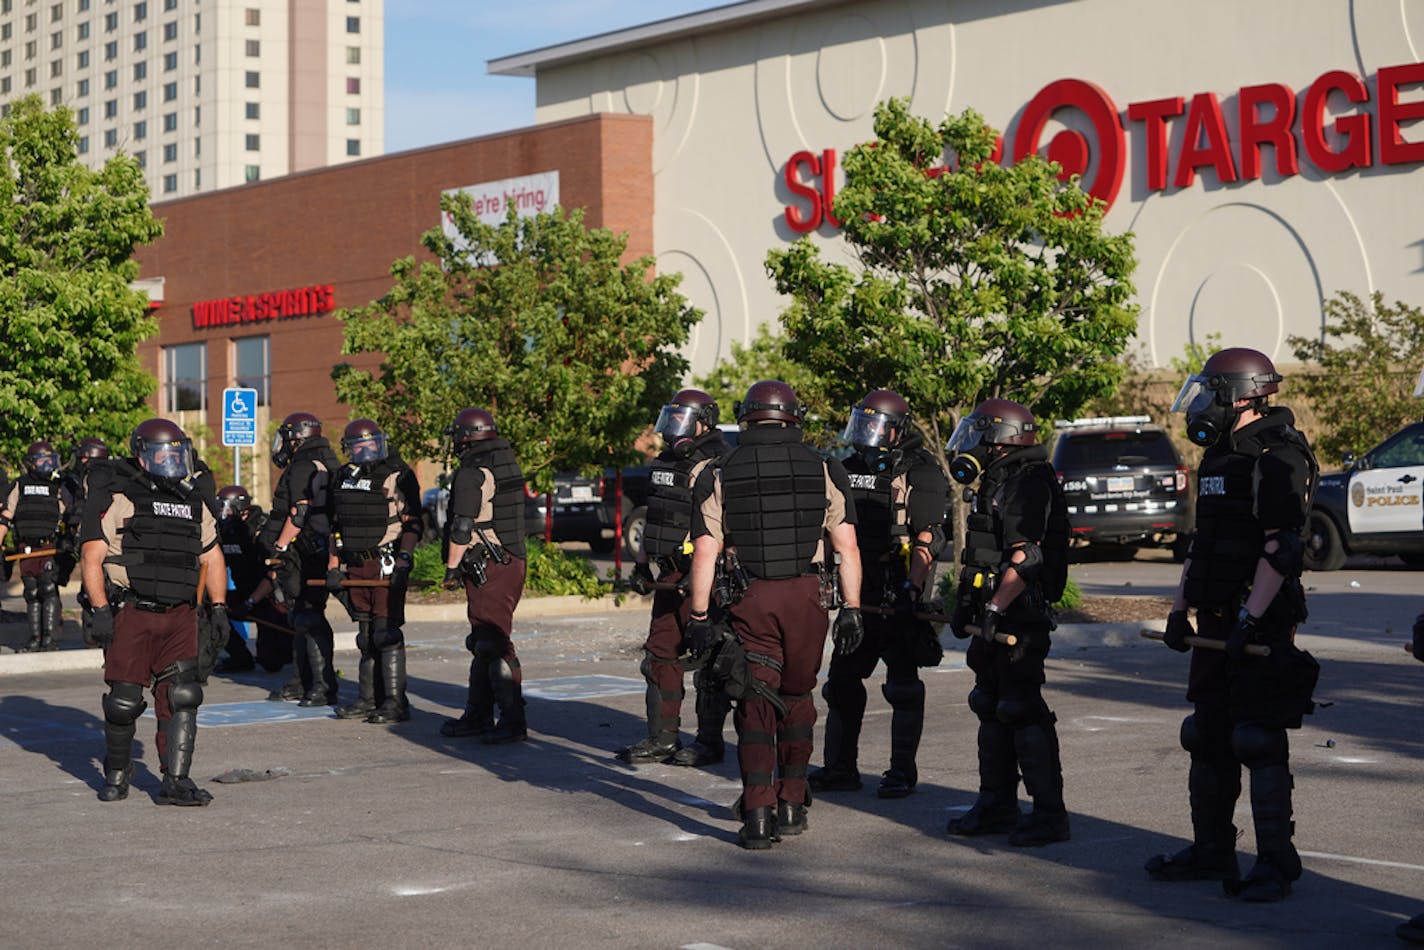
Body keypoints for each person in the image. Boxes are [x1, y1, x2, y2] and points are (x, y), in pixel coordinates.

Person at [1146, 347, 1320, 903]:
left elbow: (1281, 546)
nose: (1201, 403)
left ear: (1240, 394)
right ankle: (1212, 849)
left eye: (1209, 391)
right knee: (1206, 735)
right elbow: (1202, 546)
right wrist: (1178, 609)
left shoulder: (1279, 455)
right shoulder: (1219, 457)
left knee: (1257, 737)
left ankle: (1275, 863)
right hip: (1215, 619)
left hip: (1261, 621)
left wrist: (1250, 620)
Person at [686, 380, 861, 849]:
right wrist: (853, 609)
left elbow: (706, 550)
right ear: (793, 416)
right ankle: (792, 804)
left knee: (756, 698)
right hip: (809, 597)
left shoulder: (719, 469)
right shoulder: (825, 465)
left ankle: (759, 814)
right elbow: (846, 544)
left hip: (751, 597)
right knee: (799, 694)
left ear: (747, 416)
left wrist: (699, 616)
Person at [80, 418, 230, 805]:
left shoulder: (193, 498)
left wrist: (218, 607)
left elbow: (212, 556)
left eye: (176, 453)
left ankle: (176, 780)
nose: (170, 460)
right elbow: (91, 555)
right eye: (162, 453)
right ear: (143, 455)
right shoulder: (120, 495)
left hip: (180, 615)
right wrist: (99, 609)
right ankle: (117, 773)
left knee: (182, 695)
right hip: (132, 610)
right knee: (123, 701)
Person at [945, 397, 1071, 847]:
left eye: (981, 434)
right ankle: (996, 804)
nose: (973, 444)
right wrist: (968, 602)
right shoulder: (998, 478)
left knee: (1020, 707)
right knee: (989, 703)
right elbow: (984, 550)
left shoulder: (1028, 481)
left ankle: (1049, 814)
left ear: (1000, 438)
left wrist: (996, 607)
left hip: (1020, 613)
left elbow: (1027, 556)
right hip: (994, 610)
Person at [811, 389, 948, 799]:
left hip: (898, 591)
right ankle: (840, 769)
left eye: (875, 426)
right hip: (858, 594)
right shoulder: (846, 466)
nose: (866, 434)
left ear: (897, 430)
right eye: (863, 423)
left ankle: (901, 772)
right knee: (842, 684)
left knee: (903, 686)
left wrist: (912, 589)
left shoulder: (921, 471)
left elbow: (928, 537)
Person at [618, 389, 732, 766]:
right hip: (668, 576)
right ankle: (662, 738)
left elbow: (724, 532)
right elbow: (657, 518)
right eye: (672, 419)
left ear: (704, 423)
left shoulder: (717, 465)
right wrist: (640, 563)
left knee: (711, 662)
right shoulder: (663, 463)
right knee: (658, 657)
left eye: (682, 421)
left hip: (702, 576)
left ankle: (708, 743)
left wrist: (710, 574)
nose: (673, 430)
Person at [438, 408, 530, 744]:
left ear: (465, 436)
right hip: (509, 560)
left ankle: (512, 721)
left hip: (490, 564)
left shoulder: (472, 471)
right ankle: (477, 715)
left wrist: (450, 568)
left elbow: (463, 526)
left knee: (493, 642)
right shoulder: (504, 460)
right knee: (483, 642)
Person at [327, 419, 423, 724]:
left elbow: (413, 523)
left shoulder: (399, 475)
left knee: (386, 634)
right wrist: (333, 566)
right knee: (366, 637)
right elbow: (335, 527)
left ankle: (395, 703)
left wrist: (404, 559)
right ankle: (368, 700)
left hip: (386, 561)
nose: (365, 450)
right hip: (355, 564)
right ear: (349, 449)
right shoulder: (342, 477)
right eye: (359, 445)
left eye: (371, 444)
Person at [263, 411, 342, 706]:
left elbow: (300, 512)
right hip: (322, 549)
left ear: (296, 439)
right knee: (300, 616)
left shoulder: (303, 465)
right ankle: (302, 681)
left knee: (309, 616)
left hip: (308, 550)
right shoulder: (328, 460)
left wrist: (280, 548)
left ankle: (323, 685)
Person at [0, 441, 69, 651]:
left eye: (50, 460)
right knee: (31, 593)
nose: (47, 465)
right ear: (31, 463)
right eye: (42, 460)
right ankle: (34, 639)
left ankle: (49, 640)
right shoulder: (19, 485)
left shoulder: (59, 486)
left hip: (50, 547)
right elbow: (6, 517)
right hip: (26, 549)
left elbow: (72, 513)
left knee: (48, 590)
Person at [61, 439, 116, 646]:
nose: (81, 461)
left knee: (104, 590)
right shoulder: (81, 480)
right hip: (88, 542)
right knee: (88, 591)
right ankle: (94, 638)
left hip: (103, 544)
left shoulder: (100, 478)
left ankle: (104, 638)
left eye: (84, 456)